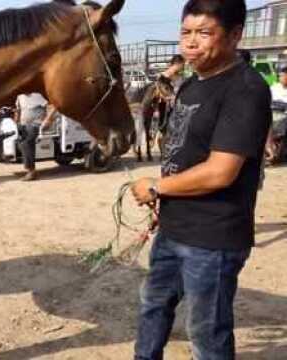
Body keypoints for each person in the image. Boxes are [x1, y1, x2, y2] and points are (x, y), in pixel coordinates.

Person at [130, 1, 272, 359]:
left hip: (214, 238)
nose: (190, 43)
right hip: (173, 228)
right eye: (185, 33)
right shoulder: (190, 86)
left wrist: (156, 186)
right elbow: (181, 153)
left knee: (206, 334)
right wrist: (164, 202)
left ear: (235, 35)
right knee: (152, 305)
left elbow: (220, 171)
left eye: (204, 33)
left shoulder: (245, 89)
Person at [14, 93, 58, 181]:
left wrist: (48, 119)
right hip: (23, 124)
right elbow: (18, 111)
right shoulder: (20, 96)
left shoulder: (38, 95)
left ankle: (31, 172)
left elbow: (52, 106)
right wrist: (15, 123)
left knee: (26, 142)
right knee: (12, 137)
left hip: (37, 124)